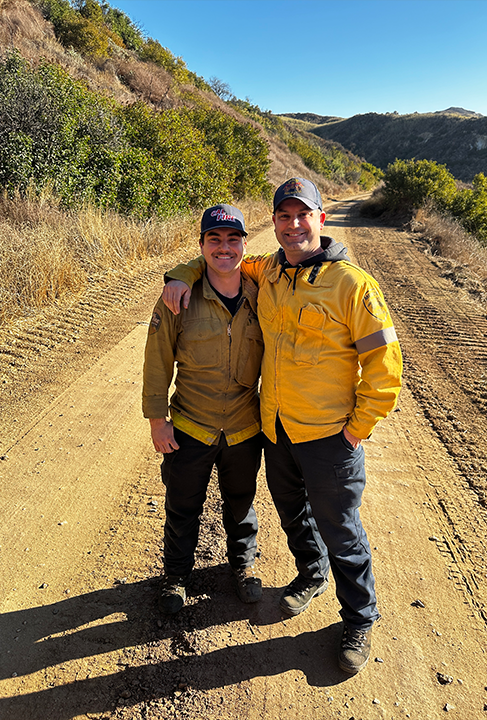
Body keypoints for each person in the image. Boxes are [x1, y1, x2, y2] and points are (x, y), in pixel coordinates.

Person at [162, 178, 402, 674]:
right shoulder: (267, 270)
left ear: (321, 217)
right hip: (276, 429)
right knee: (293, 513)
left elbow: (385, 366)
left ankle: (360, 617)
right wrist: (180, 274)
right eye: (284, 217)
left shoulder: (353, 284)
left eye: (303, 215)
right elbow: (217, 259)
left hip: (330, 435)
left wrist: (357, 429)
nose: (294, 226)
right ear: (273, 224)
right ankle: (310, 575)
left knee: (342, 528)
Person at [142, 203, 266, 614]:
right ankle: (176, 577)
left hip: (245, 427)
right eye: (214, 239)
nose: (224, 248)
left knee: (241, 504)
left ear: (245, 244)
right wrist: (158, 421)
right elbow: (157, 360)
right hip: (191, 425)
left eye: (233, 239)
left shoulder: (261, 295)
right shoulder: (178, 297)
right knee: (182, 506)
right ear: (201, 245)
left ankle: (243, 567)